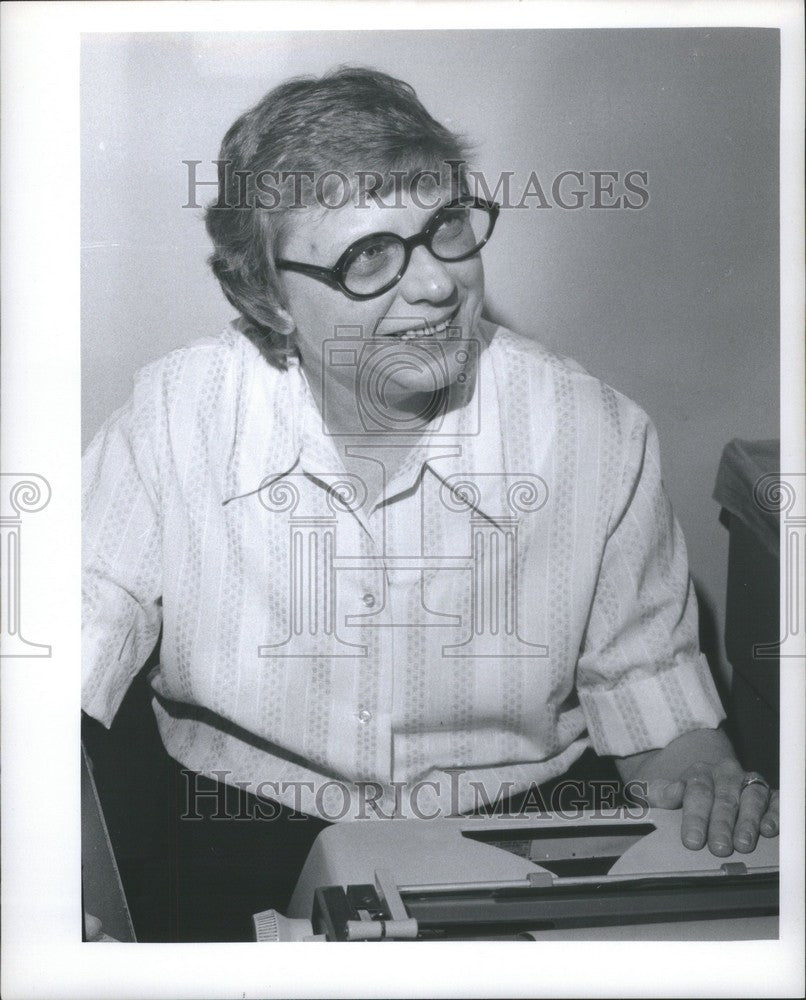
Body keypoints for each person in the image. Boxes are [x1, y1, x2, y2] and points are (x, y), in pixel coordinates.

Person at [82, 67, 778, 941]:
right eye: (368, 256)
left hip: (518, 833)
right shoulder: (173, 415)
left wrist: (702, 777)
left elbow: (658, 722)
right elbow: (46, 678)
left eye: (447, 228)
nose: (438, 286)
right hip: (227, 833)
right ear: (265, 297)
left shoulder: (596, 433)